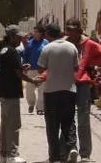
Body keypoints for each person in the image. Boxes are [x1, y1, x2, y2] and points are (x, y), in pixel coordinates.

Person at [0, 25, 41, 163]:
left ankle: (4, 154)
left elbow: (11, 68)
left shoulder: (4, 49)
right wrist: (33, 80)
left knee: (5, 124)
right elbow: (18, 74)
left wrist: (21, 68)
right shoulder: (12, 51)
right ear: (11, 36)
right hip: (9, 91)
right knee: (13, 124)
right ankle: (12, 154)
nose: (20, 39)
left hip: (2, 90)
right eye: (18, 37)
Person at [65, 17, 101, 161]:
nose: (70, 33)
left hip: (82, 83)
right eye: (68, 30)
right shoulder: (64, 44)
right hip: (66, 83)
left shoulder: (89, 44)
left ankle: (85, 154)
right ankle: (70, 149)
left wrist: (90, 63)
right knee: (67, 118)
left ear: (79, 30)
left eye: (73, 30)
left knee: (83, 119)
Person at [37, 23, 79, 163]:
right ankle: (71, 147)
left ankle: (54, 156)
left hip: (51, 91)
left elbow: (40, 68)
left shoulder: (47, 48)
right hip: (69, 90)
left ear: (48, 34)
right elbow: (76, 67)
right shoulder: (71, 47)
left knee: (52, 125)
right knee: (69, 121)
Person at [22, 24, 48, 114]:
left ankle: (40, 108)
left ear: (41, 33)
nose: (35, 33)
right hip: (31, 69)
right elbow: (25, 56)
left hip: (42, 70)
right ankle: (31, 104)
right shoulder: (30, 43)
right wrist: (24, 66)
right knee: (29, 88)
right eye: (34, 32)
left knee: (42, 89)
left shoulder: (46, 43)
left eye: (37, 32)